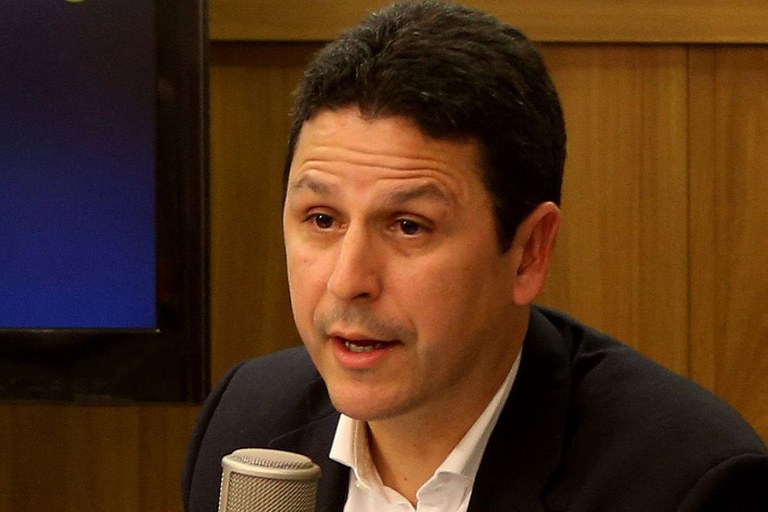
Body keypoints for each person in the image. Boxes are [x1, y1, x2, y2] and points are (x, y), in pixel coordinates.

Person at [182, 1, 768, 510]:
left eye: (408, 226)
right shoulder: (248, 425)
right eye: (322, 219)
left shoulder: (682, 483)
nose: (347, 279)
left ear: (528, 253)